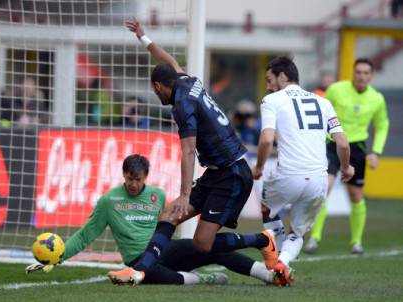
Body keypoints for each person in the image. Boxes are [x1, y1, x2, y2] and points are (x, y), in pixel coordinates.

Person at [107, 18, 282, 286]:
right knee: (168, 216)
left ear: (158, 87)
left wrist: (184, 194)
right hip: (217, 172)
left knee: (202, 244)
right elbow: (167, 60)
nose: (157, 96)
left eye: (156, 92)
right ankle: (139, 271)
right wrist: (143, 38)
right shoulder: (186, 80)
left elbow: (188, 151)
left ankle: (261, 240)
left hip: (232, 174)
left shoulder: (182, 105)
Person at [26, 154, 285, 286]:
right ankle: (201, 280)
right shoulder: (109, 201)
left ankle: (267, 274)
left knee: (207, 246)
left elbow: (169, 227)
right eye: (129, 178)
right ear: (123, 175)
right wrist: (58, 257)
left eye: (138, 179)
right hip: (139, 260)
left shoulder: (157, 196)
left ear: (146, 177)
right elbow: (85, 235)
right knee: (146, 272)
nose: (134, 184)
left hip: (165, 251)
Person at [251, 57, 354, 277]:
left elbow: (267, 139)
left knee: (267, 209)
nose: (268, 86)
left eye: (270, 80)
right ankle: (283, 262)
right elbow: (343, 143)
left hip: (287, 175)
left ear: (282, 77)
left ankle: (273, 253)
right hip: (319, 180)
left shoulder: (272, 101)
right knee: (298, 232)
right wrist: (346, 168)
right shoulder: (323, 102)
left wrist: (259, 167)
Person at [304, 58, 389, 255]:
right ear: (352, 72)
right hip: (333, 144)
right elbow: (322, 113)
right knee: (324, 189)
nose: (362, 76)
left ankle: (356, 242)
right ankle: (314, 238)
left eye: (366, 73)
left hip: (357, 148)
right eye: (358, 72)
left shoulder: (377, 99)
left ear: (371, 76)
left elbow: (382, 125)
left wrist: (376, 152)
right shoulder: (336, 89)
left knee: (356, 196)